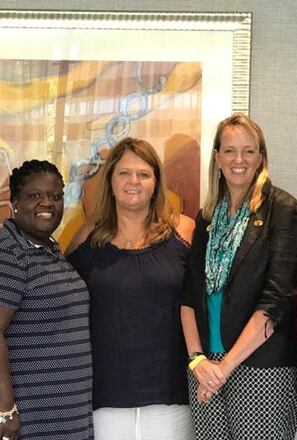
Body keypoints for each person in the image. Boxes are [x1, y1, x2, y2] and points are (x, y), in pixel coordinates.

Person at [179, 114, 297, 439]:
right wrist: (199, 362)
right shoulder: (207, 217)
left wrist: (224, 368)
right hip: (207, 366)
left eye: (249, 151)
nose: (239, 160)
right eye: (230, 151)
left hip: (262, 369)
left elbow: (276, 301)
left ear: (261, 157)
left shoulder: (284, 211)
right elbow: (189, 297)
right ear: (218, 157)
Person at [66, 137, 195, 440]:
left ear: (156, 182)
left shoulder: (185, 231)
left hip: (171, 392)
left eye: (143, 173)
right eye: (124, 173)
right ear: (110, 179)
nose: (133, 181)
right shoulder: (87, 235)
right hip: (105, 394)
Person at [0, 160, 93, 440]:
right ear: (14, 203)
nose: (46, 203)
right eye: (34, 196)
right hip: (25, 423)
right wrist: (6, 412)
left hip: (60, 418)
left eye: (55, 196)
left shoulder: (48, 250)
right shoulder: (4, 254)